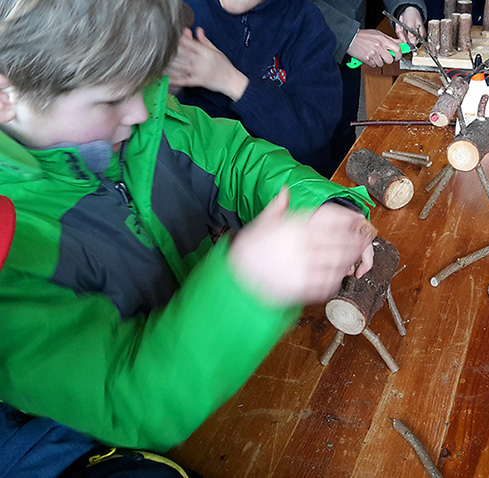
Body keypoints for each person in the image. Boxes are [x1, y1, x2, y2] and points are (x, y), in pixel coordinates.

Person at [0, 0, 375, 476]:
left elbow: (236, 158)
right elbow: (126, 398)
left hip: (234, 389)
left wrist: (320, 203)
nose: (140, 110)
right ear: (6, 96)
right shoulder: (12, 249)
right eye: (112, 98)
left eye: (146, 83)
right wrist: (247, 286)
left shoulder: (146, 125)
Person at [166, 0, 344, 178]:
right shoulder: (178, 9)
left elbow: (313, 131)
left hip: (288, 177)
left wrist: (232, 82)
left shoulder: (304, 21)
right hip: (210, 176)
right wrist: (171, 88)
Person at [310, 0, 427, 165]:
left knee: (342, 149)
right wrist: (346, 35)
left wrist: (407, 6)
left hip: (348, 49)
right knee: (305, 158)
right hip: (291, 56)